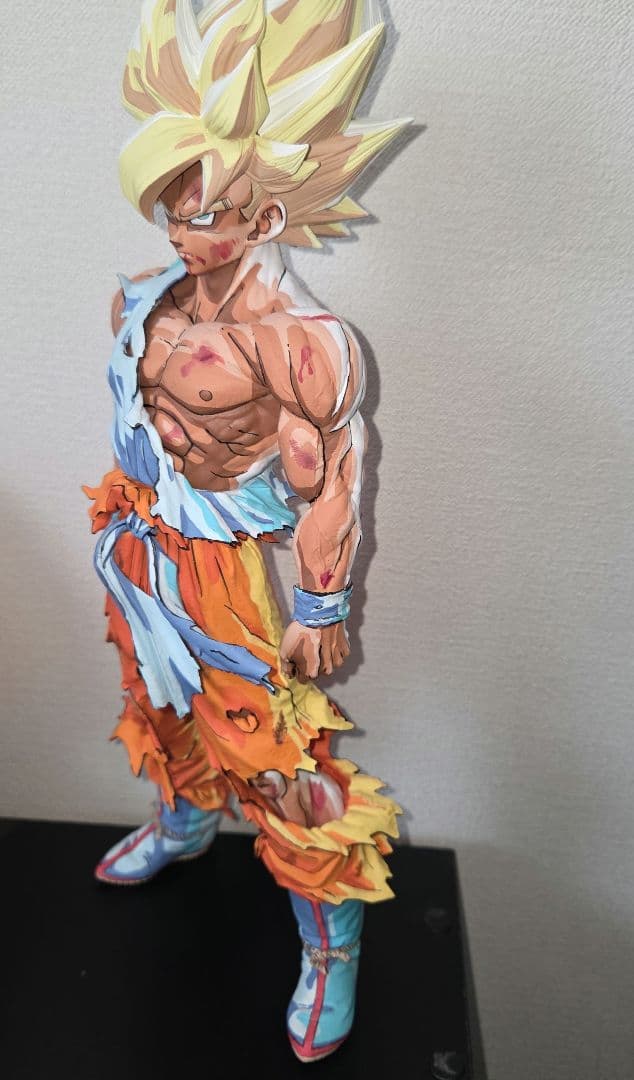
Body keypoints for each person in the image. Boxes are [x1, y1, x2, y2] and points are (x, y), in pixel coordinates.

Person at [85, 0, 409, 1063]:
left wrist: (319, 602)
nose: (184, 235)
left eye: (207, 215)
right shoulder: (144, 300)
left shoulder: (300, 343)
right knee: (154, 698)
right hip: (138, 542)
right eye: (172, 213)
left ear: (265, 215)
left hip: (228, 572)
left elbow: (337, 471)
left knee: (275, 752)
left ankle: (331, 941)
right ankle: (185, 820)